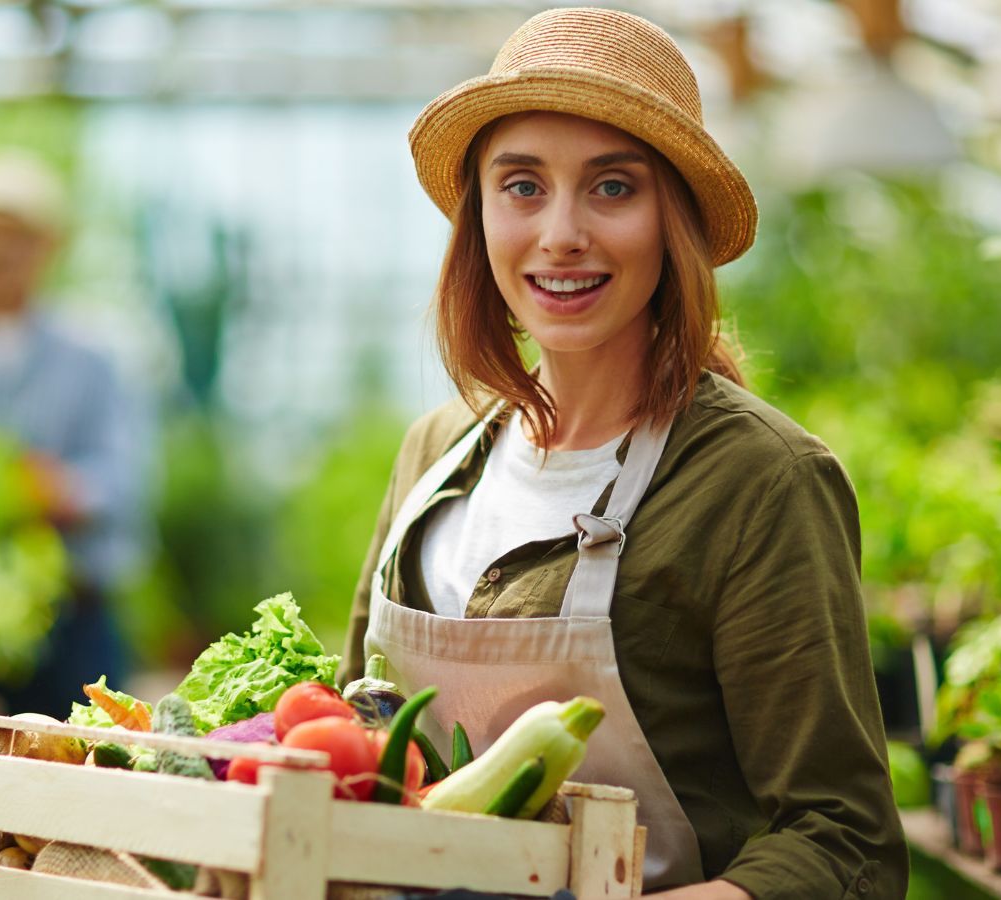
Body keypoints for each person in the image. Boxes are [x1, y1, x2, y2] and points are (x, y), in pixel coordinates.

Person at [338, 9, 907, 899]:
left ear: (671, 220)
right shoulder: (438, 452)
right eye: (521, 186)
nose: (561, 233)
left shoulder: (757, 483)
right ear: (479, 215)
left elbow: (845, 843)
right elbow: (357, 739)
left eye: (612, 188)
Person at [0, 150, 154, 713]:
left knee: (78, 765)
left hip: (72, 614)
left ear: (48, 249)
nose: (0, 252)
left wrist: (57, 490)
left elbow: (126, 479)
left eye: (18, 237)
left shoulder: (94, 352)